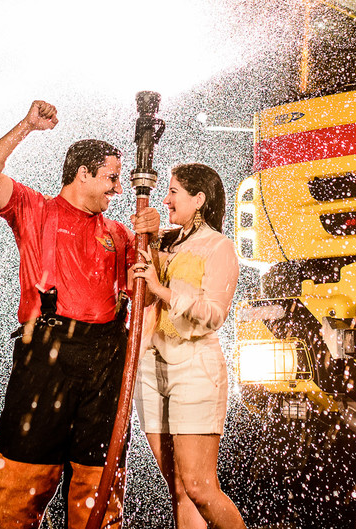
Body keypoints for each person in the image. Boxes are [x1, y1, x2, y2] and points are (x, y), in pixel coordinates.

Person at [0, 99, 159, 529]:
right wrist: (27, 126)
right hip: (47, 359)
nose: (118, 189)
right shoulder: (35, 210)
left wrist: (153, 238)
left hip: (106, 363)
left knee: (99, 486)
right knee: (20, 481)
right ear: (83, 173)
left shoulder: (120, 234)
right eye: (111, 177)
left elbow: (147, 295)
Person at [131, 163, 247, 529]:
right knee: (179, 488)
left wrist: (161, 289)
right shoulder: (166, 241)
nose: (166, 200)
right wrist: (150, 233)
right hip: (152, 368)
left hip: (195, 368)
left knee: (199, 486)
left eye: (173, 192)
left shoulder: (219, 247)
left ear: (198, 199)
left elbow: (214, 314)